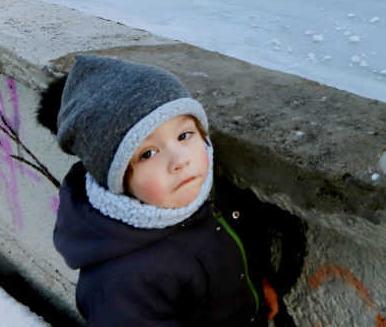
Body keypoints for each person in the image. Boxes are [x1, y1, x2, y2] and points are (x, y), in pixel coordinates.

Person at [37, 56, 278, 326]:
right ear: (119, 181)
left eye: (184, 136)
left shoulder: (203, 190)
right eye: (147, 154)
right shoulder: (123, 283)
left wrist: (258, 287)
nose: (179, 161)